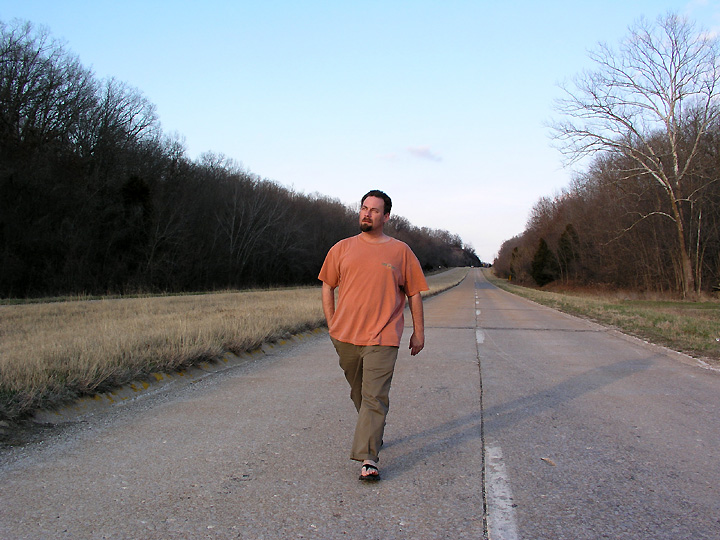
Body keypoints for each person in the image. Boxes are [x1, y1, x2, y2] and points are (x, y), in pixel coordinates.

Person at [318, 189, 429, 481]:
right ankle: (373, 431)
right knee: (360, 394)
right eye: (364, 208)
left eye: (374, 210)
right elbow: (327, 285)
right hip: (345, 336)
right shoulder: (341, 248)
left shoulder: (400, 251)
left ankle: (369, 458)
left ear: (386, 216)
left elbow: (414, 293)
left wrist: (418, 332)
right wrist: (332, 323)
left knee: (374, 396)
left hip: (384, 335)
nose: (367, 214)